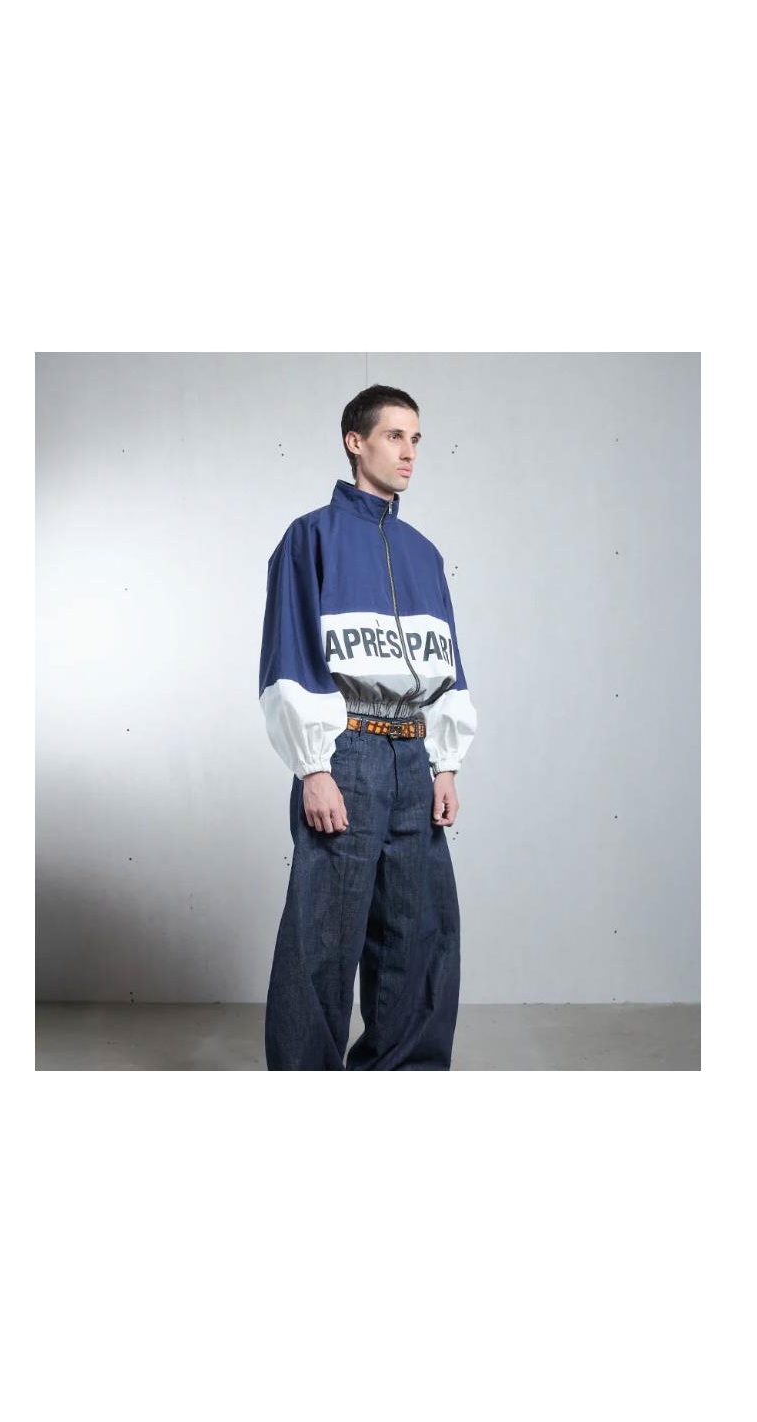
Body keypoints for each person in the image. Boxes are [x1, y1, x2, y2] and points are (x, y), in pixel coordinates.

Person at [258, 384, 477, 1070]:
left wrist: (446, 763)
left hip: (415, 755)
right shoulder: (311, 538)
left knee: (419, 933)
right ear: (356, 442)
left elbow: (449, 664)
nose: (409, 452)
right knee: (324, 936)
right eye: (394, 436)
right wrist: (313, 769)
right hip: (346, 753)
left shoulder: (424, 553)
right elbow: (290, 657)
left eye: (416, 439)